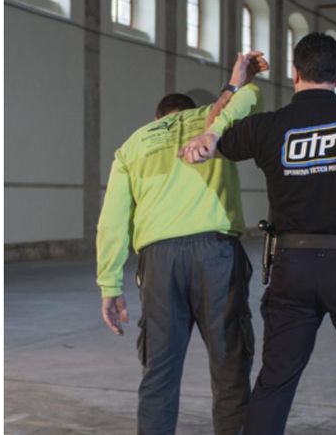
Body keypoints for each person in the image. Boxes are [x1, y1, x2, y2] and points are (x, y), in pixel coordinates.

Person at [181, 32, 336, 434]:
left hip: (290, 269)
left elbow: (213, 134)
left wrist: (236, 82)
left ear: (294, 73)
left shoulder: (270, 127)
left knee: (275, 381)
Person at [95, 50, 269, 435]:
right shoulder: (212, 119)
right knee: (229, 368)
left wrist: (110, 285)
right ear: (188, 111)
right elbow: (252, 96)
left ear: (157, 118)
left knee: (158, 374)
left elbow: (112, 220)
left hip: (159, 262)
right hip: (216, 256)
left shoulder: (133, 144)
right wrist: (235, 83)